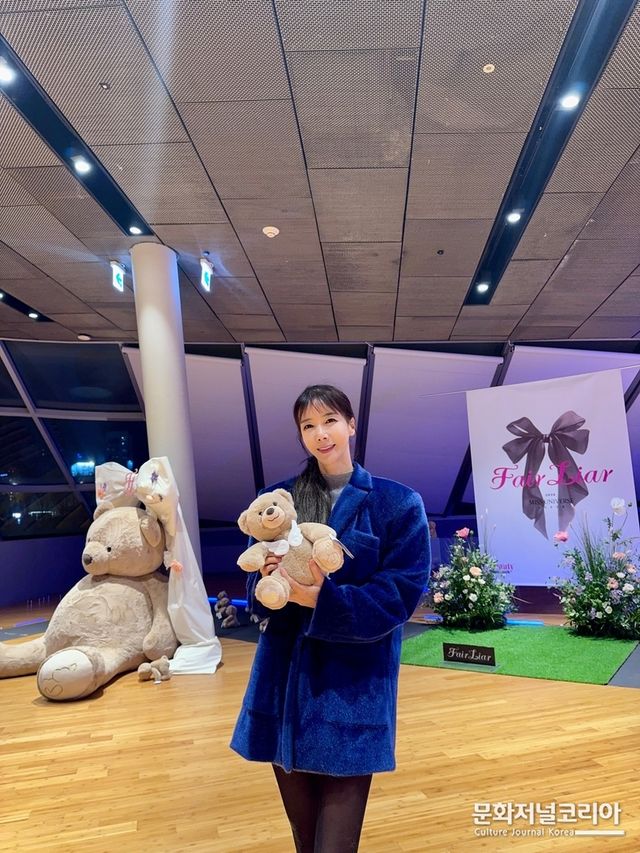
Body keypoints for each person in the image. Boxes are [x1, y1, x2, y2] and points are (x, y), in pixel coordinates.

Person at [230, 384, 430, 853]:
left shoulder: (397, 503)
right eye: (308, 426)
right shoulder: (278, 500)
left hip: (353, 689)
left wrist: (322, 600)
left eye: (330, 421)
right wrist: (267, 582)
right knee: (305, 842)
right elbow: (255, 590)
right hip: (284, 686)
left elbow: (400, 594)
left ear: (351, 425)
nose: (321, 434)